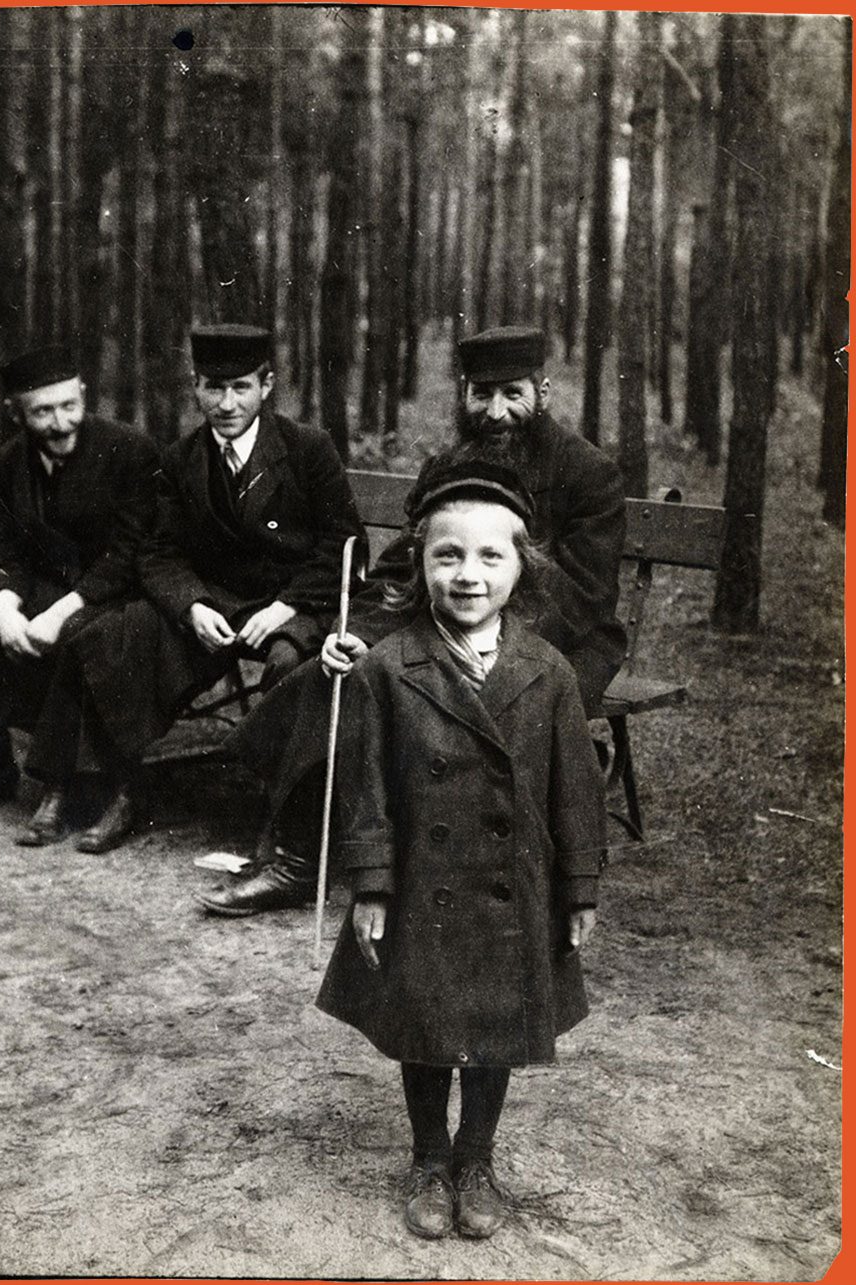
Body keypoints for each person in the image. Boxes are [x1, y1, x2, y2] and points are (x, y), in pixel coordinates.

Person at [196, 323, 624, 916]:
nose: (495, 412)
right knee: (344, 673)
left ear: (543, 393)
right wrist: (360, 633)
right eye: (481, 394)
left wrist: (483, 642)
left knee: (508, 695)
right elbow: (401, 572)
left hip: (561, 636)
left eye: (512, 394)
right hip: (449, 621)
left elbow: (583, 594)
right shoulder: (448, 467)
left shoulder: (588, 474)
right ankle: (298, 859)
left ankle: (510, 863)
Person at [315, 451, 607, 1240]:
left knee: (496, 1021)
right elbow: (367, 789)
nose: (469, 574)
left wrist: (579, 887)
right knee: (423, 1020)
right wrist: (372, 886)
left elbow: (575, 791)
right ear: (421, 564)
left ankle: (477, 1155)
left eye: (490, 555)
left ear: (523, 565)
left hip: (514, 884)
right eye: (448, 554)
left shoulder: (548, 673)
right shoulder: (388, 665)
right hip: (422, 883)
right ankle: (429, 1156)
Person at [16, 323, 365, 854]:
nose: (226, 403)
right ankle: (119, 788)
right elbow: (159, 552)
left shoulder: (306, 448)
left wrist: (287, 605)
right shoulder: (181, 459)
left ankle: (283, 821)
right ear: (196, 388)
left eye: (241, 387)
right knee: (112, 633)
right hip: (215, 603)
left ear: (266, 386)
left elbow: (345, 544)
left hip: (293, 601)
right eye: (212, 387)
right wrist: (192, 606)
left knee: (290, 666)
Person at [0, 343, 159, 812]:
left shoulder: (130, 451)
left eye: (69, 406)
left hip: (114, 591)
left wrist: (60, 611)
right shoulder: (8, 464)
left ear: (83, 394)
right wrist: (3, 604)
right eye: (43, 412)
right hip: (44, 586)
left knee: (77, 639)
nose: (60, 423)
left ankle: (63, 784)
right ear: (15, 413)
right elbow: (7, 547)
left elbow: (129, 554)